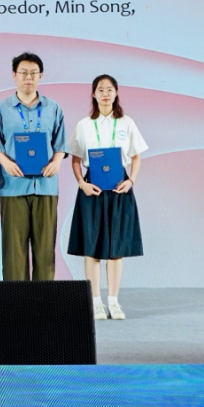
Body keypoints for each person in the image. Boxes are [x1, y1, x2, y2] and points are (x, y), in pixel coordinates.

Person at [67, 74, 147, 320]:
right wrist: (82, 184)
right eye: (100, 89)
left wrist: (130, 181)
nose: (105, 93)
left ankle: (113, 301)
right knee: (91, 247)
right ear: (93, 94)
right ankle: (95, 302)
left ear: (116, 93)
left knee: (115, 248)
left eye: (109, 89)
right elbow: (76, 159)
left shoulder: (126, 123)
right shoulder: (84, 124)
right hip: (92, 189)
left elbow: (136, 157)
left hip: (119, 187)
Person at [0, 53, 67, 281]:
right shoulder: (1, 109)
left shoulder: (53, 108)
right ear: (14, 75)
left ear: (40, 76)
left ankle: (42, 299)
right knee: (14, 250)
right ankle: (16, 299)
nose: (28, 77)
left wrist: (56, 162)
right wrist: (5, 162)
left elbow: (60, 144)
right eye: (23, 73)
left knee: (45, 249)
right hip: (13, 186)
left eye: (33, 73)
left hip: (45, 186)